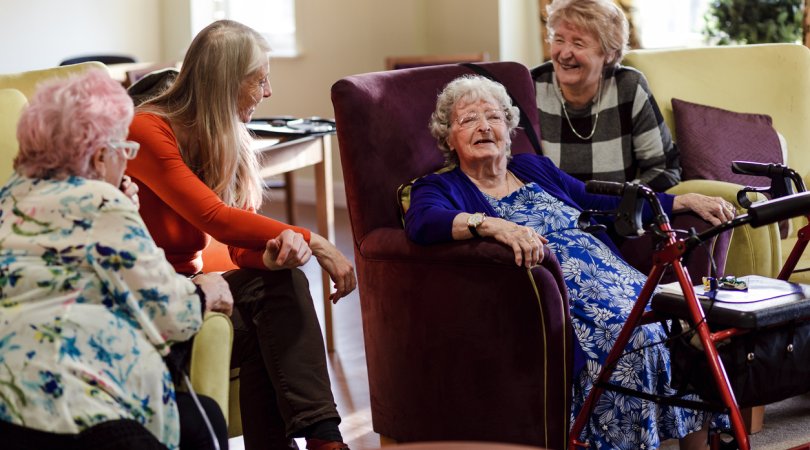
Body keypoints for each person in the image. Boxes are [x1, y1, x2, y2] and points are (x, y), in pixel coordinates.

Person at [404, 75, 736, 449]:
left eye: (493, 117)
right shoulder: (441, 187)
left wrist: (680, 201)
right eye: (468, 119)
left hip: (616, 278)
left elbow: (599, 201)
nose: (484, 126)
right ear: (449, 137)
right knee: (634, 337)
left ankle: (699, 444)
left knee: (682, 319)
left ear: (509, 130)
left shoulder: (532, 168)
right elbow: (423, 222)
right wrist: (490, 224)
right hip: (564, 298)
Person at [126, 20, 357, 450]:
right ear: (227, 82)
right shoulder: (147, 130)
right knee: (260, 327)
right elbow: (214, 216)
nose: (268, 92)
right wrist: (315, 240)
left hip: (199, 284)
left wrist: (270, 256)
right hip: (152, 294)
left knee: (280, 281)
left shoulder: (223, 138)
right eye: (260, 80)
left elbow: (235, 246)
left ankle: (326, 439)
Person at [0, 70, 232, 450]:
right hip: (71, 410)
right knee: (204, 424)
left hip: (8, 410)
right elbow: (171, 314)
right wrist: (207, 292)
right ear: (99, 154)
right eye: (123, 150)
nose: (126, 164)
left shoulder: (7, 199)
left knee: (194, 416)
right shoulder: (100, 203)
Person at [532, 0, 681, 192]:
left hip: (616, 213)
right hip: (548, 216)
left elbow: (664, 169)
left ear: (609, 53)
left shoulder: (628, 86)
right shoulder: (531, 86)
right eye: (559, 40)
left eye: (578, 43)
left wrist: (618, 200)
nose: (564, 53)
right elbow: (511, 172)